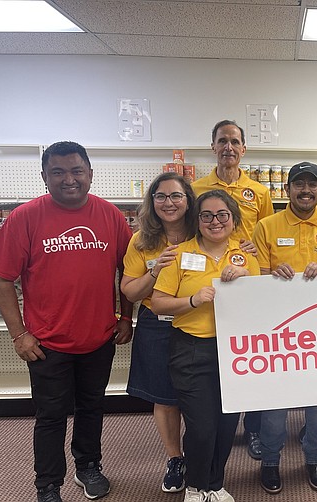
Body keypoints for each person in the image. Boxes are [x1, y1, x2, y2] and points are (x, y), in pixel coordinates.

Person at [0, 141, 134, 502]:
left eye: (76, 171)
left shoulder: (111, 216)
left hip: (99, 338)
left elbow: (128, 271)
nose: (69, 180)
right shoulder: (25, 217)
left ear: (90, 174)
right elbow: (1, 279)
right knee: (50, 416)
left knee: (92, 407)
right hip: (46, 343)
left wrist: (127, 317)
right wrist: (19, 334)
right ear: (44, 177)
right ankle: (48, 485)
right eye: (58, 172)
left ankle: (88, 466)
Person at [151, 189, 259, 502]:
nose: (215, 221)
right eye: (207, 215)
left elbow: (261, 303)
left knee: (227, 423)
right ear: (197, 221)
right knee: (202, 426)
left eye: (222, 215)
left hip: (235, 350)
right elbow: (158, 304)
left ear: (233, 219)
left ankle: (215, 483)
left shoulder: (246, 255)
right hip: (191, 348)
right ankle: (197, 486)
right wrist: (193, 300)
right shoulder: (178, 254)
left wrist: (245, 279)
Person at [252, 161, 317, 494]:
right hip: (277, 332)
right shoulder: (266, 226)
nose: (306, 191)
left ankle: (314, 458)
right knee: (274, 407)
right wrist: (272, 275)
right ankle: (269, 461)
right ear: (287, 189)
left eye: (312, 185)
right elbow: (257, 280)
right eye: (299, 184)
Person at [191, 119, 272, 460]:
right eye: (222, 141)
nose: (229, 147)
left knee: (249, 358)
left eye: (234, 141)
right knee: (212, 362)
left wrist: (255, 258)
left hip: (246, 283)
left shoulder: (261, 192)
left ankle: (252, 429)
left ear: (243, 148)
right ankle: (210, 427)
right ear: (213, 146)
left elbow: (264, 234)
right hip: (209, 281)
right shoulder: (194, 188)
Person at [120, 172, 198, 493]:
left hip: (198, 321)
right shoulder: (141, 241)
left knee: (198, 395)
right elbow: (130, 293)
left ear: (188, 200)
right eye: (161, 197)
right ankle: (175, 459)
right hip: (156, 322)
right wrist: (155, 270)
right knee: (165, 398)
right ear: (151, 202)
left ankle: (199, 454)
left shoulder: (204, 232)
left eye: (176, 196)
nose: (169, 203)